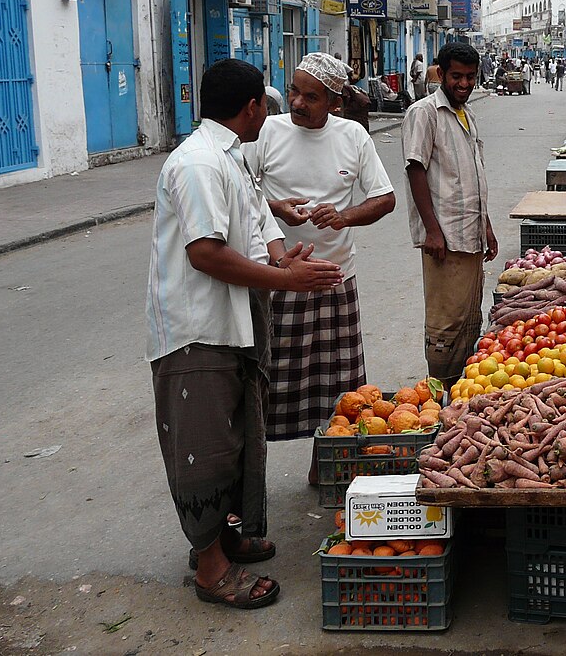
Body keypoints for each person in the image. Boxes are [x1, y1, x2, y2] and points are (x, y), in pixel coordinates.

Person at [147, 58, 344, 610]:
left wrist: (287, 262)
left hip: (234, 328)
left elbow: (259, 230)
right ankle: (210, 569)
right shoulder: (198, 165)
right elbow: (205, 253)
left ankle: (227, 539)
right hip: (196, 332)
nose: (273, 113)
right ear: (252, 106)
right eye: (268, 103)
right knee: (204, 452)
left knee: (235, 444)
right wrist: (288, 280)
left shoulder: (233, 161)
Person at [246, 53, 396, 474]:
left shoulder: (353, 137)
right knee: (264, 381)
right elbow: (242, 191)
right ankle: (250, 476)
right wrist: (276, 207)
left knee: (339, 385)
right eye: (294, 90)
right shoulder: (267, 132)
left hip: (335, 278)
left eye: (310, 96)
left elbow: (384, 198)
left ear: (334, 101)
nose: (296, 102)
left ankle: (328, 463)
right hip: (278, 277)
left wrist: (344, 215)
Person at [403, 41, 498, 389]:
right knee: (444, 322)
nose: (464, 84)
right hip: (444, 236)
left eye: (471, 77)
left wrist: (486, 226)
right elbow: (416, 169)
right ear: (440, 74)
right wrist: (432, 231)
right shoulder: (424, 112)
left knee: (468, 317)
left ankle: (460, 387)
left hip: (470, 233)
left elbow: (474, 175)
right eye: (456, 76)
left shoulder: (466, 114)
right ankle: (439, 388)